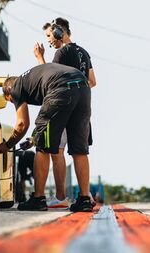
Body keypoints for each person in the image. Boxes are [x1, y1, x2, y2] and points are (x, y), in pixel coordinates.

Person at [0, 63, 93, 212]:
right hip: (83, 87)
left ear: (9, 91)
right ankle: (85, 199)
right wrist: (34, 138)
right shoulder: (32, 79)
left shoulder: (16, 87)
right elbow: (50, 121)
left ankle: (38, 198)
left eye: (11, 101)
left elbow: (22, 124)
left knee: (42, 147)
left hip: (60, 87)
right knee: (79, 149)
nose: (14, 103)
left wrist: (7, 146)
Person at [33, 17, 97, 209]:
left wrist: (39, 59)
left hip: (63, 105)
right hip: (82, 103)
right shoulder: (83, 52)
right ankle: (85, 197)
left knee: (56, 150)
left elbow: (49, 81)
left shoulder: (62, 52)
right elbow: (92, 81)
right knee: (80, 150)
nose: (48, 40)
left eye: (49, 35)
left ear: (59, 32)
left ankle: (60, 197)